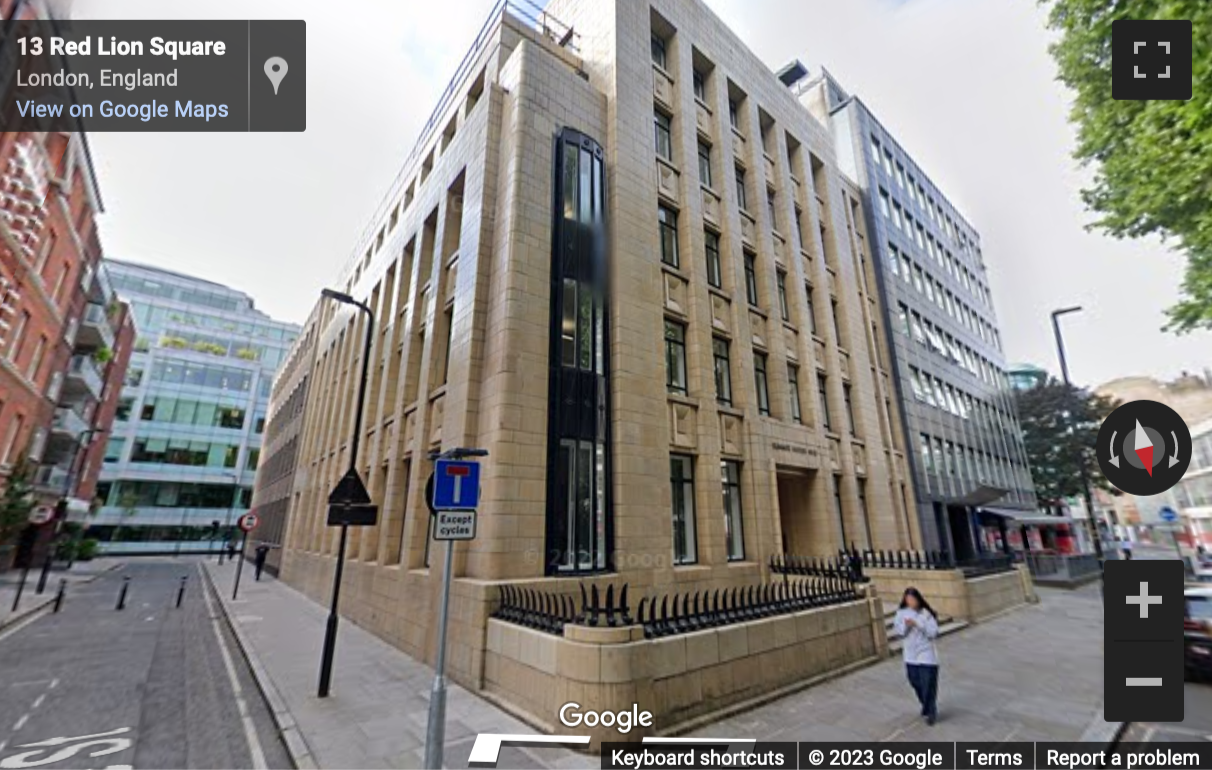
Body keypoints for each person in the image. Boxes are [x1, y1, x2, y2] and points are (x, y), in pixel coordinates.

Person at [892, 587, 940, 725]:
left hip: (926, 654)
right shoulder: (901, 613)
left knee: (928, 683)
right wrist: (907, 626)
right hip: (910, 654)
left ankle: (931, 711)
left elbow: (933, 632)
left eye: (913, 599)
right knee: (915, 681)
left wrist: (918, 624)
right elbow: (899, 632)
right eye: (908, 599)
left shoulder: (926, 613)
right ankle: (925, 704)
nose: (911, 602)